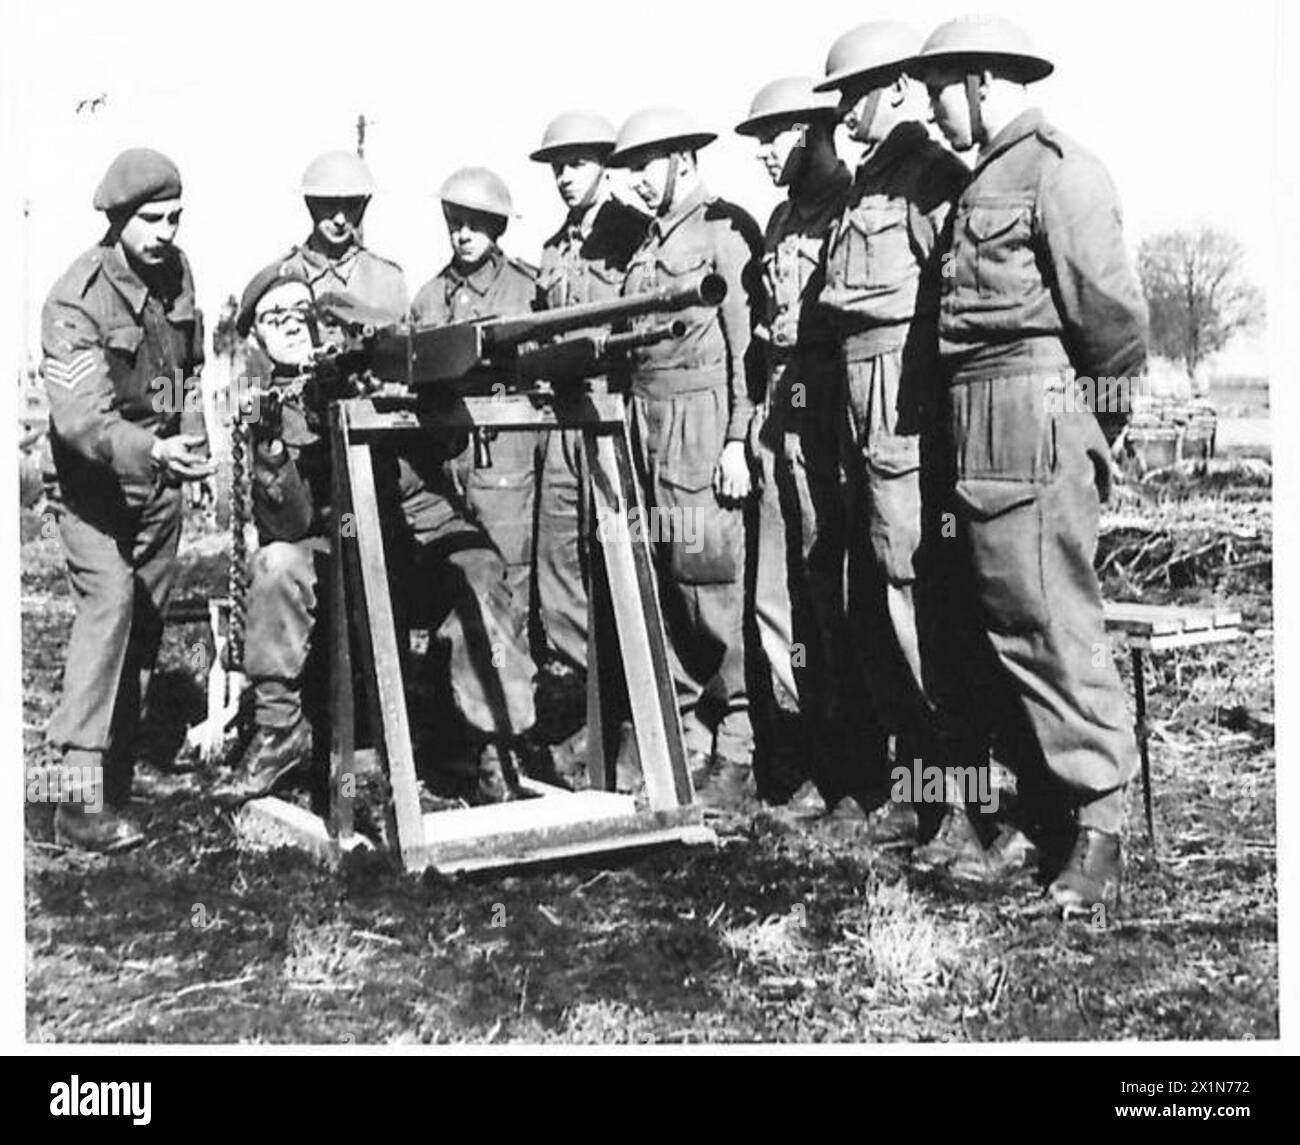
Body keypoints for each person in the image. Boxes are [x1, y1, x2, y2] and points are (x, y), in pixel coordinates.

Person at [911, 14, 1149, 915]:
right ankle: (1036, 807)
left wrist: (1085, 440)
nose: (932, 112)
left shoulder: (1060, 170)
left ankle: (1100, 826)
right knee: (998, 627)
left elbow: (1115, 332)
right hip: (976, 432)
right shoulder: (981, 179)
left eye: (938, 89)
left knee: (1055, 624)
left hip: (1037, 428)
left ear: (980, 80)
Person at [214, 263, 537, 805]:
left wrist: (410, 395)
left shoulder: (378, 364)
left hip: (419, 540)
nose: (293, 326)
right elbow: (288, 525)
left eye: (302, 312)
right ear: (257, 338)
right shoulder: (269, 408)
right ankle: (279, 732)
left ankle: (492, 742)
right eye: (275, 318)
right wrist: (271, 447)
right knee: (273, 568)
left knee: (480, 570)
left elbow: (450, 445)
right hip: (337, 552)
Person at [812, 22, 972, 833]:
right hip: (853, 405)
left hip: (898, 412)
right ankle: (912, 785)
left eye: (855, 93)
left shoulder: (929, 177)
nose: (844, 112)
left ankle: (956, 802)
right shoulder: (865, 183)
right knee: (871, 598)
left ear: (898, 89)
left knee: (915, 594)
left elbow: (954, 309)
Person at [41, 148, 213, 851]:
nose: (167, 230)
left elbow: (182, 368)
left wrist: (187, 437)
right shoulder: (73, 298)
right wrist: (153, 449)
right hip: (92, 490)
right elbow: (81, 421)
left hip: (160, 482)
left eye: (175, 216)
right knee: (108, 607)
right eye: (152, 218)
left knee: (143, 623)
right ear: (117, 220)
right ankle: (70, 801)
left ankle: (113, 776)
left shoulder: (176, 274)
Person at [606, 107, 763, 807]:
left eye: (646, 166)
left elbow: (745, 349)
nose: (637, 182)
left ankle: (737, 748)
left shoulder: (725, 232)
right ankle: (689, 741)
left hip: (702, 426)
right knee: (667, 584)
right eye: (631, 169)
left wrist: (737, 437)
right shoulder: (643, 248)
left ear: (684, 161)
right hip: (647, 422)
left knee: (712, 586)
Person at [734, 77, 852, 806]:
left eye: (774, 137)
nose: (764, 155)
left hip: (834, 426)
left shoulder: (854, 208)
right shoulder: (778, 221)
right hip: (780, 421)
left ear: (811, 131)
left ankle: (856, 770)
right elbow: (761, 336)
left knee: (837, 597)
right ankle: (806, 757)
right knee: (778, 601)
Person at [527, 110, 649, 768]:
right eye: (556, 168)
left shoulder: (633, 233)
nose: (565, 178)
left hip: (614, 421)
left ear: (604, 163)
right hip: (560, 423)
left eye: (576, 164)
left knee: (620, 567)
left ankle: (636, 721)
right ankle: (581, 716)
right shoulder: (551, 249)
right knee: (557, 567)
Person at [411, 167, 540, 618]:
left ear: (497, 226)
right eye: (455, 222)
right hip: (445, 455)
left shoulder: (527, 291)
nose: (462, 234)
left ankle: (518, 678)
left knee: (511, 569)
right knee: (458, 566)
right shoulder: (429, 298)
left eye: (475, 223)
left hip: (505, 452)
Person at [278, 150, 409, 333]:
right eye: (329, 204)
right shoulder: (284, 277)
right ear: (310, 202)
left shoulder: (387, 280)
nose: (340, 219)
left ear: (364, 206)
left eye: (352, 205)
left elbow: (403, 352)